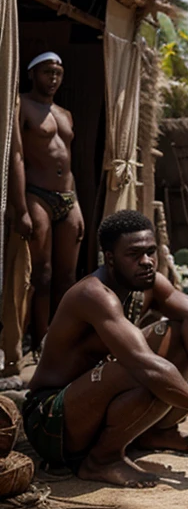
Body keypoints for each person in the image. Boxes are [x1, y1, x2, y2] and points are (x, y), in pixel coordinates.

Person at [22, 210, 188, 487]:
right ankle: (101, 460)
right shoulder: (94, 294)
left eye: (150, 252)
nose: (146, 262)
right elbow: (148, 367)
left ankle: (155, 431)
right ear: (110, 259)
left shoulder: (149, 283)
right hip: (51, 422)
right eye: (133, 255)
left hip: (96, 402)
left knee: (180, 333)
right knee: (144, 371)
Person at [9, 52, 84, 353]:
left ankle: (60, 339)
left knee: (67, 276)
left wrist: (76, 202)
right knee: (42, 273)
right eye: (46, 72)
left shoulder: (65, 114)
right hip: (37, 194)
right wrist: (20, 207)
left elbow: (68, 161)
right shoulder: (21, 105)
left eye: (57, 73)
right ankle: (40, 340)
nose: (52, 78)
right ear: (32, 74)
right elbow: (17, 156)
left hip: (67, 197)